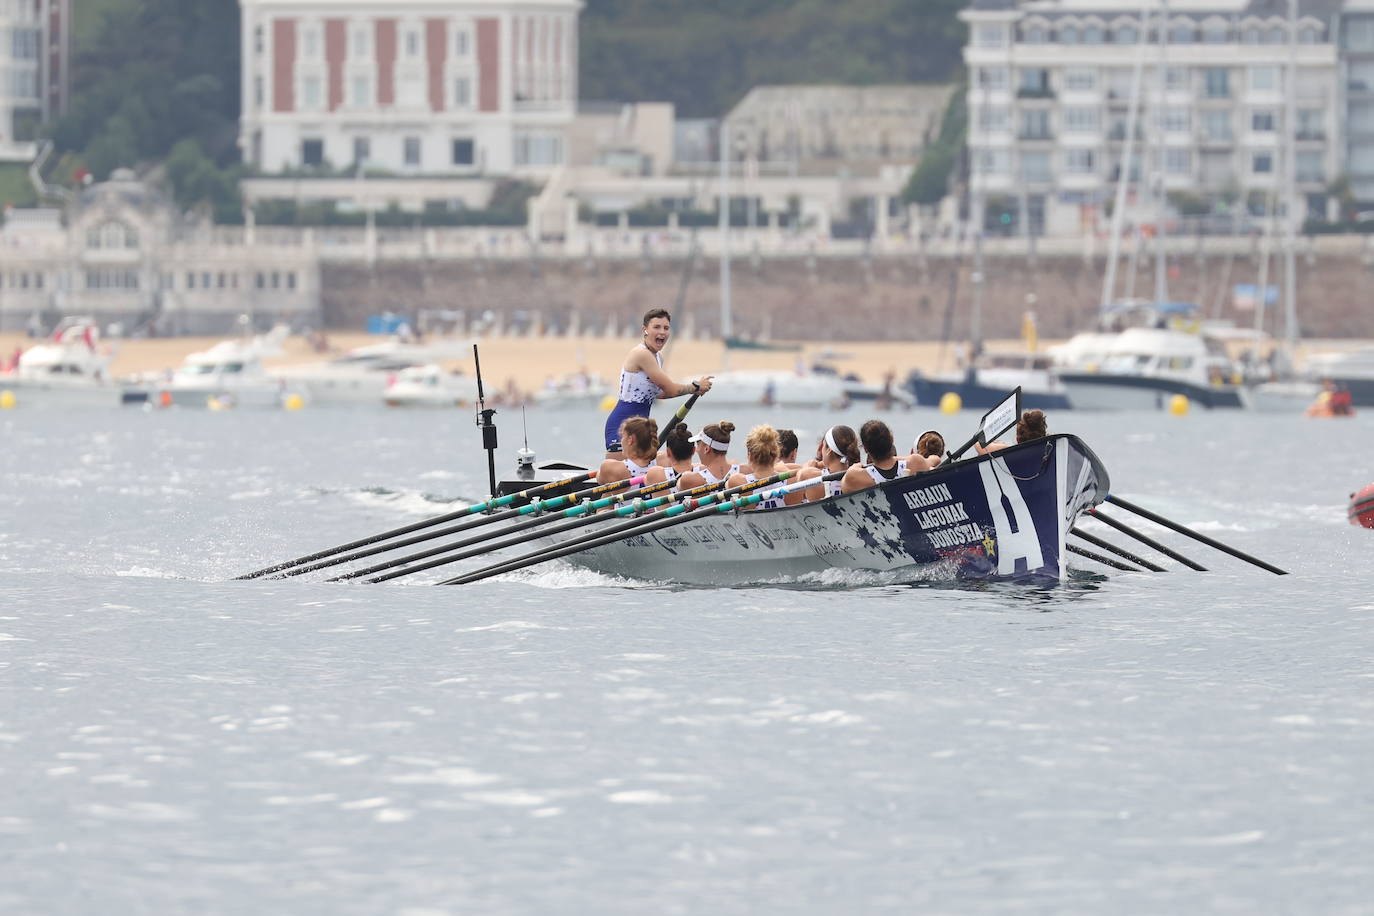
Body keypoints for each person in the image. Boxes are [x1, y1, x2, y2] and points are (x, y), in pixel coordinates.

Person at [603, 308, 714, 456]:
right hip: (622, 427)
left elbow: (660, 394)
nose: (662, 332)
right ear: (645, 330)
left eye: (666, 328)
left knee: (660, 464)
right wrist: (695, 387)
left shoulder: (657, 358)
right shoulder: (641, 354)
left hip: (642, 429)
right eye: (656, 327)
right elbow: (672, 389)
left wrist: (693, 389)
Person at [787, 424, 860, 505]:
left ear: (829, 450)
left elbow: (802, 474)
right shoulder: (861, 476)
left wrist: (812, 465)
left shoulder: (808, 475)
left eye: (823, 446)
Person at [728, 425, 792, 509]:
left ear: (750, 455)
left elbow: (727, 484)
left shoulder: (738, 481)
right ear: (776, 454)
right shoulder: (792, 481)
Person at [842, 420, 905, 494]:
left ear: (865, 449)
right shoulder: (916, 462)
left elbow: (844, 487)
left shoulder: (854, 475)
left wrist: (856, 466)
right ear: (891, 439)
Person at [674, 421, 740, 490]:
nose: (697, 450)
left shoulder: (690, 479)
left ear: (706, 449)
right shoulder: (744, 471)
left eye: (698, 444)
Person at [596, 417, 658, 484]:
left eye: (622, 436)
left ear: (630, 440)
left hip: (625, 491)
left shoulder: (610, 467)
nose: (621, 441)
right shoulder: (660, 462)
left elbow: (600, 480)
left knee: (607, 493)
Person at [977, 410, 1048, 453]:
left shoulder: (1008, 451)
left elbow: (978, 444)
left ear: (1018, 438)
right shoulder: (1048, 449)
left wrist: (999, 444)